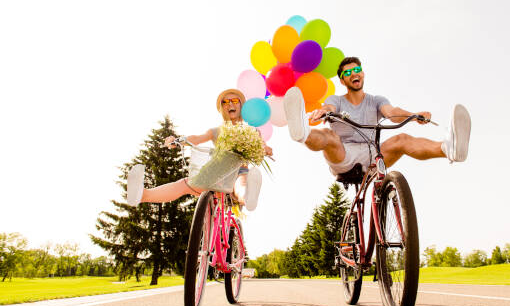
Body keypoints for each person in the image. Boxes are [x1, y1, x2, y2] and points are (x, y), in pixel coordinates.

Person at [283, 56, 471, 176]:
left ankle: (449, 148)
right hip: (344, 155)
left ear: (362, 73)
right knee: (329, 136)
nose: (353, 74)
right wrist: (324, 111)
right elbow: (329, 106)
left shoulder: (376, 100)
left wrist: (413, 115)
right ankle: (302, 133)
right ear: (342, 80)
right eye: (348, 73)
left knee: (402, 139)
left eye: (357, 70)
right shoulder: (337, 100)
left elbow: (392, 113)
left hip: (374, 155)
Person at [126, 88, 273, 211]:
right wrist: (178, 141)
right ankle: (142, 195)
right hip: (215, 172)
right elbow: (196, 138)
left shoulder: (251, 131)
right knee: (184, 184)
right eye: (225, 102)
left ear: (242, 106)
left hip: (238, 170)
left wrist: (265, 149)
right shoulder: (217, 131)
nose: (230, 104)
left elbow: (261, 144)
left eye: (234, 101)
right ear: (222, 108)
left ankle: (247, 197)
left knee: (241, 182)